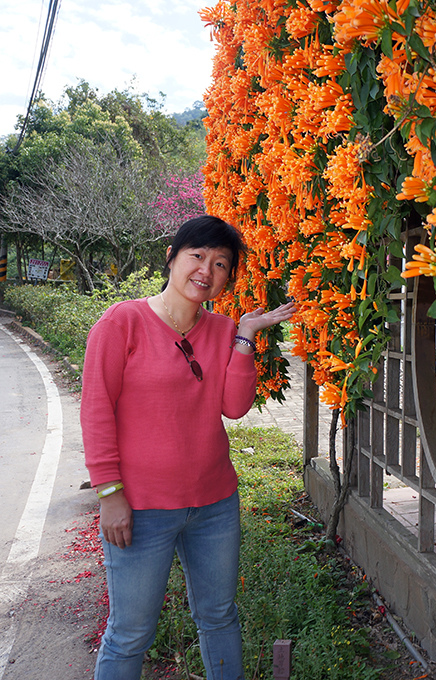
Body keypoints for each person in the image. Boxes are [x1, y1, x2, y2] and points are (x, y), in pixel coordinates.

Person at [80, 215, 295, 680]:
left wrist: (244, 338)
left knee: (219, 617)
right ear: (172, 258)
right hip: (142, 507)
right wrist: (109, 493)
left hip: (214, 505)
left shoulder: (220, 329)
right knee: (130, 633)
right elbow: (96, 409)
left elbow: (234, 407)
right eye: (198, 256)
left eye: (221, 264)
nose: (207, 270)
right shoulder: (124, 322)